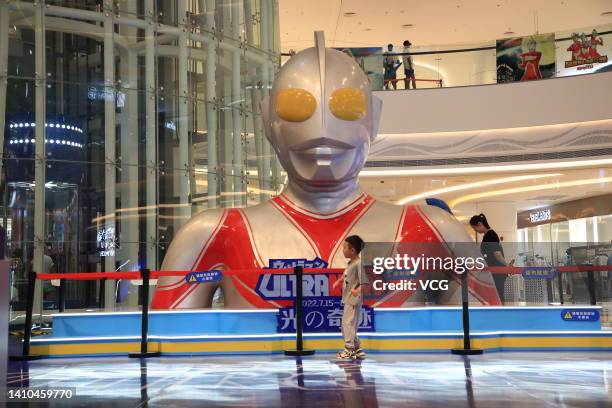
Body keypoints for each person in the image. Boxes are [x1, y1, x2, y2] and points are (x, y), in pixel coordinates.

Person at [333, 235, 368, 360]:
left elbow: (365, 282)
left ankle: (349, 350)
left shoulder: (359, 264)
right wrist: (339, 281)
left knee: (347, 324)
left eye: (344, 247)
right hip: (348, 299)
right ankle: (357, 347)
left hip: (353, 300)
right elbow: (346, 275)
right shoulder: (351, 263)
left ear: (352, 250)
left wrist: (356, 291)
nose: (343, 250)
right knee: (348, 324)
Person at [470, 214, 508, 303]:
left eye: (474, 227)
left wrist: (507, 266)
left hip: (497, 271)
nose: (475, 230)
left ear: (480, 224)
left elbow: (497, 254)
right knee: (496, 294)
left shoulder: (490, 235)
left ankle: (500, 313)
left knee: (498, 294)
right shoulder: (488, 235)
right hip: (494, 270)